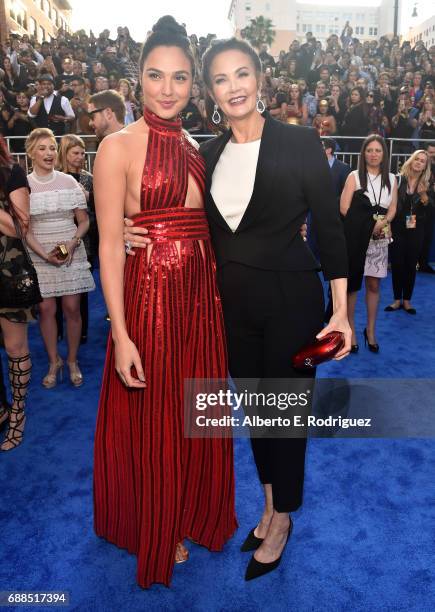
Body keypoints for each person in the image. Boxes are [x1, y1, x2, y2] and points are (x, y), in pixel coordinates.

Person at [125, 35, 351, 582]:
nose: (234, 87)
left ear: (260, 80)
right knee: (257, 411)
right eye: (221, 79)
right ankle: (269, 504)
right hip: (229, 307)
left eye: (242, 74)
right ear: (210, 91)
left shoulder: (299, 142)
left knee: (286, 417)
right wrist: (136, 233)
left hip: (291, 301)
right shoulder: (207, 154)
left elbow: (329, 226)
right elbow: (180, 221)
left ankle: (283, 519)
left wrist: (340, 311)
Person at [93, 16, 237, 589]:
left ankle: (194, 507)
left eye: (180, 77)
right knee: (154, 419)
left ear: (193, 86)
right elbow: (108, 242)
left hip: (201, 305)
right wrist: (121, 333)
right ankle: (159, 519)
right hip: (149, 302)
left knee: (194, 412)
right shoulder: (116, 146)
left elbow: (212, 230)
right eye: (156, 75)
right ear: (138, 77)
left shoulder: (198, 148)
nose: (168, 89)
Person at [0, 135, 59, 450]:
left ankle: (18, 416)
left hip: (8, 275)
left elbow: (20, 227)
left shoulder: (11, 172)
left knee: (15, 349)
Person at [25, 128, 95, 388]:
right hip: (39, 253)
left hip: (70, 252)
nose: (49, 153)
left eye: (52, 147)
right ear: (31, 152)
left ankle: (73, 360)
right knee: (46, 310)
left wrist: (73, 242)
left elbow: (84, 221)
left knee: (72, 308)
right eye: (42, 148)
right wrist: (44, 255)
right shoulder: (26, 185)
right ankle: (54, 361)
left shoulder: (69, 181)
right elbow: (25, 230)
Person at [340, 134, 397, 353]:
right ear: (363, 153)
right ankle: (352, 331)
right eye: (370, 150)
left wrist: (384, 222)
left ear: (384, 154)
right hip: (356, 238)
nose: (373, 154)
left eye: (378, 150)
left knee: (374, 285)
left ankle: (370, 331)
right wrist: (366, 226)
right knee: (353, 286)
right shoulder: (354, 176)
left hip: (380, 238)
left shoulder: (392, 178)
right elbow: (344, 208)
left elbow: (392, 207)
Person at [56, 134, 97, 342]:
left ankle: (81, 332)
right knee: (57, 287)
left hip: (84, 241)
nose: (80, 157)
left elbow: (97, 212)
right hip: (58, 238)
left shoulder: (89, 179)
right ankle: (57, 331)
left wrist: (88, 198)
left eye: (82, 153)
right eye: (75, 153)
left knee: (80, 289)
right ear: (65, 153)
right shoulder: (56, 177)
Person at [386, 150, 432, 314]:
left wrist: (424, 195)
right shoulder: (398, 180)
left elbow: (432, 210)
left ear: (426, 166)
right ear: (411, 161)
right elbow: (388, 204)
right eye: (417, 159)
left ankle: (407, 301)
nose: (419, 162)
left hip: (416, 229)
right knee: (397, 264)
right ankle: (396, 299)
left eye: (423, 161)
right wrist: (388, 225)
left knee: (411, 265)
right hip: (397, 227)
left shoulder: (428, 183)